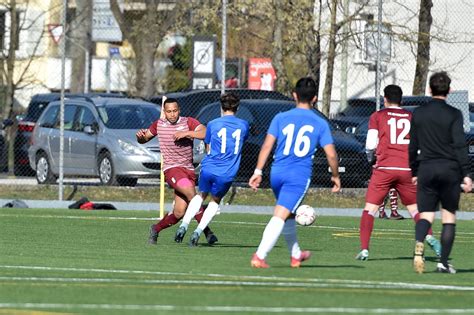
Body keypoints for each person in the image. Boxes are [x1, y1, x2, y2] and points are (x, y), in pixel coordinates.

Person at [248, 77, 341, 268]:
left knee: (288, 214)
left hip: (277, 173)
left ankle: (296, 254)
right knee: (280, 214)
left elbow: (267, 146)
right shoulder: (320, 123)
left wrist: (258, 171)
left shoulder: (280, 117)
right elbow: (331, 155)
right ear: (315, 98)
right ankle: (260, 255)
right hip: (297, 176)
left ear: (294, 95)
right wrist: (335, 176)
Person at [356, 85, 441, 261]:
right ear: (401, 100)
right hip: (407, 169)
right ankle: (430, 236)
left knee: (370, 209)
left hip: (385, 168)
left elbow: (370, 144)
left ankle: (364, 250)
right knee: (415, 210)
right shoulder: (411, 117)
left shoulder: (378, 116)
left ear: (385, 99)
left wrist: (371, 159)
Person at [409, 71, 472, 274]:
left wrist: (414, 170)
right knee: (448, 217)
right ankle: (443, 263)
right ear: (450, 90)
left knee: (426, 215)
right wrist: (467, 174)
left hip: (426, 168)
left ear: (429, 89)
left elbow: (412, 146)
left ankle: (419, 248)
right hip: (449, 170)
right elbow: (460, 146)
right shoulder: (454, 114)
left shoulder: (418, 113)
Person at [136, 98, 218, 245]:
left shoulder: (188, 122)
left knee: (179, 212)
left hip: (188, 170)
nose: (172, 114)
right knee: (192, 196)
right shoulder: (158, 125)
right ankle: (206, 232)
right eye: (169, 111)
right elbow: (144, 139)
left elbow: (205, 133)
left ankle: (155, 229)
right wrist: (140, 138)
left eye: (175, 111)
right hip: (172, 169)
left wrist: (187, 133)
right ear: (164, 112)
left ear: (179, 110)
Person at [173, 93, 249, 246]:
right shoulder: (244, 125)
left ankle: (183, 226)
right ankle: (197, 232)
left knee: (200, 196)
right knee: (215, 201)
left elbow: (208, 146)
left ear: (221, 107)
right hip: (227, 172)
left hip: (209, 167)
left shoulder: (213, 123)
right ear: (238, 107)